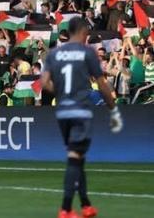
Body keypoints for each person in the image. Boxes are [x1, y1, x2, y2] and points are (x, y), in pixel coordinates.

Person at [41, 17, 123, 218]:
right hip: (80, 111)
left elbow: (44, 83)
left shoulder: (54, 54)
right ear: (83, 31)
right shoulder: (87, 53)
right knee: (75, 158)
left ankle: (86, 204)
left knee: (77, 158)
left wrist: (60, 93)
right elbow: (102, 84)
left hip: (62, 112)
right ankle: (66, 209)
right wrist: (112, 109)